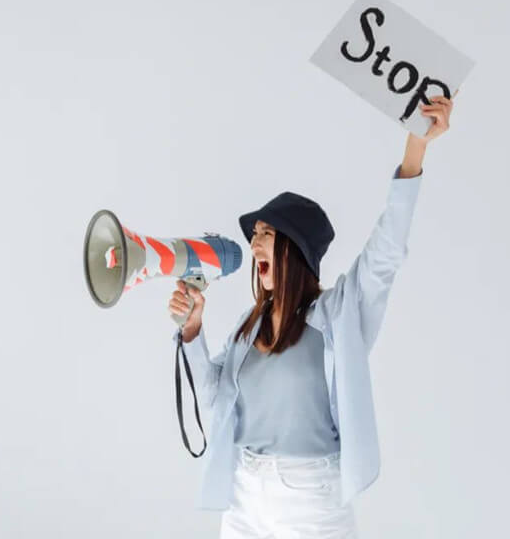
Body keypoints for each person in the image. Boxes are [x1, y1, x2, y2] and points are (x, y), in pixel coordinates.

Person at [167, 93, 457, 538]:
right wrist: (192, 332)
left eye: (267, 234)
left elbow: (385, 252)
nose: (254, 244)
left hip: (310, 500)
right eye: (255, 234)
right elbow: (214, 403)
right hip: (243, 497)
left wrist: (416, 147)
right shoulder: (248, 328)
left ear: (295, 250)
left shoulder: (339, 314)